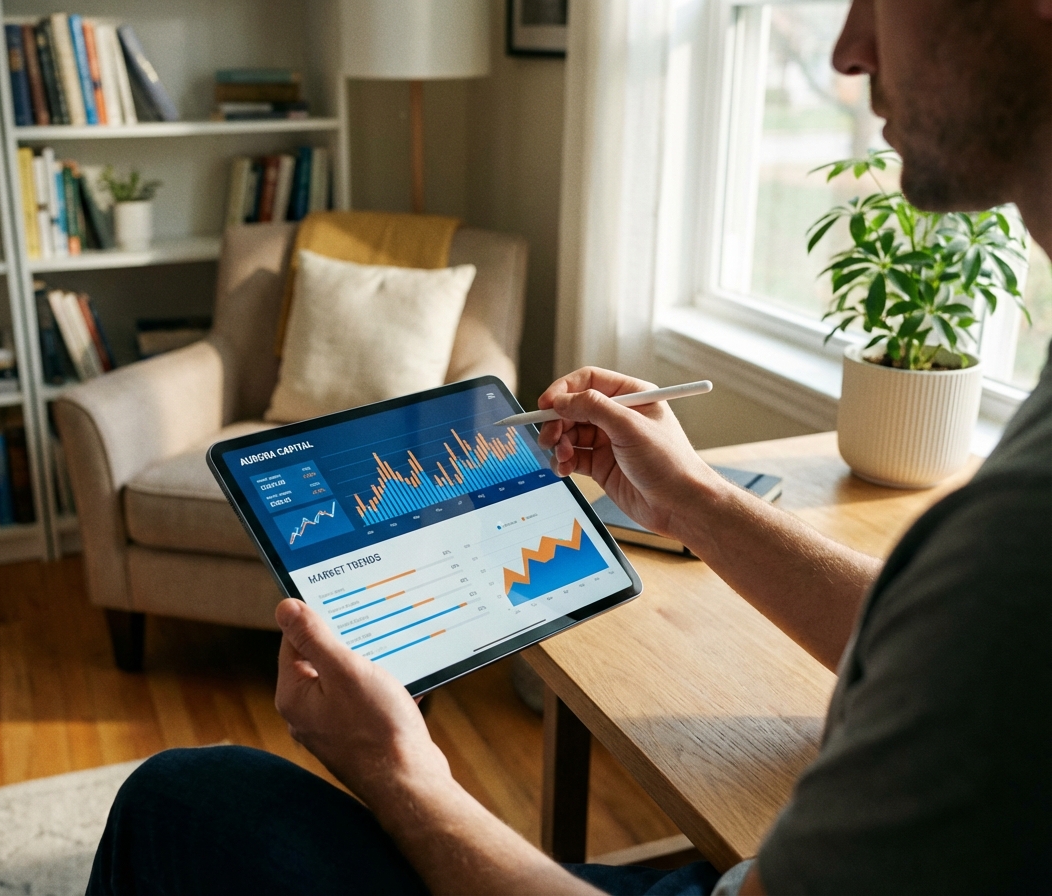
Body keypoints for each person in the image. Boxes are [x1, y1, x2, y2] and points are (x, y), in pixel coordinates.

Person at [86, 1, 1052, 893]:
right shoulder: (1002, 539)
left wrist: (403, 777)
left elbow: (971, 632)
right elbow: (933, 642)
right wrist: (694, 503)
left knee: (179, 803)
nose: (848, 48)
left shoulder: (1014, 541)